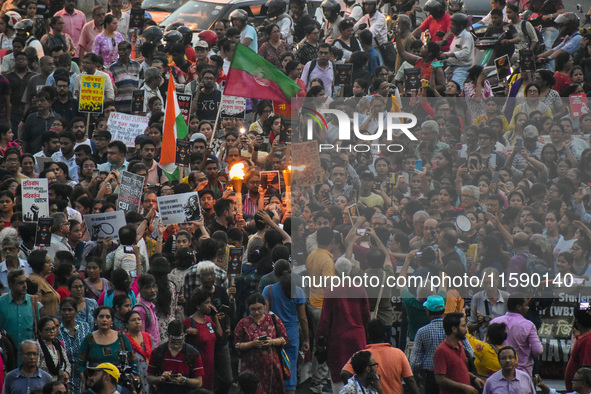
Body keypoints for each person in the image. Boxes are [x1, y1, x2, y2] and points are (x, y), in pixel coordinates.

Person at [262, 260, 309, 394]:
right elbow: (303, 318)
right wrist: (306, 339)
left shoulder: (268, 290)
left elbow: (264, 314)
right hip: (292, 334)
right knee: (291, 368)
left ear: (275, 274)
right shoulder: (298, 291)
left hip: (273, 333)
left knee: (273, 366)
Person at [341, 319, 419, 394]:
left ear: (368, 336)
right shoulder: (399, 354)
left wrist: (356, 389)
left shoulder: (361, 355)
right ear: (385, 335)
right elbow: (410, 381)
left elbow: (344, 374)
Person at [234, 293, 288, 394]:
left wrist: (271, 342)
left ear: (265, 307)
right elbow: (237, 345)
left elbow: (284, 338)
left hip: (272, 368)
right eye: (253, 309)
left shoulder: (273, 319)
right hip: (251, 369)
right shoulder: (243, 323)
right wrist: (252, 344)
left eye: (259, 308)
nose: (257, 312)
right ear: (248, 309)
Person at [490, 294, 543, 376]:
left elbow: (487, 344)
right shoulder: (528, 325)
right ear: (518, 307)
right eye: (526, 305)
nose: (528, 308)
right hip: (522, 373)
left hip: (497, 372)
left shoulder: (495, 322)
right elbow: (538, 350)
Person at [79, 305, 135, 381]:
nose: (104, 320)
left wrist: (135, 376)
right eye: (101, 317)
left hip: (119, 381)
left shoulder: (121, 337)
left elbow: (132, 359)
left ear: (112, 320)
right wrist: (85, 381)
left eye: (108, 317)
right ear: (95, 320)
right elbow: (81, 363)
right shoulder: (89, 338)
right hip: (96, 383)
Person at [147, 319, 204, 393]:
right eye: (173, 340)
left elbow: (199, 382)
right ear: (167, 335)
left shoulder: (193, 354)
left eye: (180, 340)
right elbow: (149, 377)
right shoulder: (158, 352)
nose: (176, 344)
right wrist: (160, 378)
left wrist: (184, 380)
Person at [434, 312, 484, 394]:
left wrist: (474, 378)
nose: (466, 329)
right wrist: (464, 387)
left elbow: (459, 370)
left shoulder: (460, 345)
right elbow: (440, 379)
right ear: (454, 329)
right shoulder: (442, 350)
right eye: (463, 326)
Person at [183, 288, 222, 391]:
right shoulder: (189, 323)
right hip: (197, 367)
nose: (210, 305)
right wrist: (186, 332)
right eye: (206, 303)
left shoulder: (208, 320)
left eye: (210, 302)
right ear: (198, 306)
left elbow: (219, 334)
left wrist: (215, 317)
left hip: (210, 366)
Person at [57, 297, 91, 394]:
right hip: (66, 377)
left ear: (76, 311)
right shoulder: (57, 331)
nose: (67, 313)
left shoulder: (85, 327)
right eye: (64, 310)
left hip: (84, 376)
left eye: (70, 310)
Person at [0, 269, 39, 345]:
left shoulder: (33, 302)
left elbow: (37, 329)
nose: (25, 285)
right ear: (10, 285)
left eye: (25, 282)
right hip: (7, 352)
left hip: (28, 352)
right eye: (20, 283)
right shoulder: (1, 303)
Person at [124, 309, 153, 394]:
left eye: (139, 319)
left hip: (149, 376)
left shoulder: (148, 336)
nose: (137, 322)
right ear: (126, 324)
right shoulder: (124, 340)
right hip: (135, 377)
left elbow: (155, 356)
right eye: (133, 320)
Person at [35, 316, 71, 383]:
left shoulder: (57, 344)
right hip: (43, 383)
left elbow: (67, 362)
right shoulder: (37, 346)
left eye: (53, 328)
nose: (51, 331)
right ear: (40, 331)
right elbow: (36, 369)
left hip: (59, 382)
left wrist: (66, 373)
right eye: (47, 329)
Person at [28, 249, 61, 317]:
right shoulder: (34, 280)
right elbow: (36, 307)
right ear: (39, 263)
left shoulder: (42, 279)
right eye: (47, 262)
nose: (50, 264)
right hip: (45, 322)